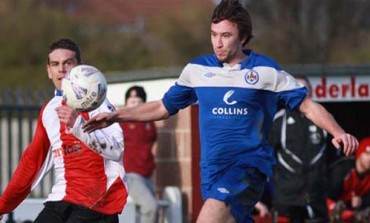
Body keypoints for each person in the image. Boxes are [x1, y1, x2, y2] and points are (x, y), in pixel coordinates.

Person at [82, 1, 358, 222]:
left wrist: (338, 132)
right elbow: (162, 107)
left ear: (244, 38)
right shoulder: (197, 70)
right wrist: (116, 114)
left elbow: (308, 105)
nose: (218, 43)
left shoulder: (266, 71)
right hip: (212, 171)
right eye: (214, 35)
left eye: (226, 36)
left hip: (246, 169)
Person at [0, 38, 127, 223]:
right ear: (49, 71)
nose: (61, 69)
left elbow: (117, 150)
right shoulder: (48, 111)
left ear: (79, 67)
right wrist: (4, 205)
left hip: (98, 203)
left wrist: (77, 124)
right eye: (55, 64)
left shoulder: (97, 102)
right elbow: (31, 164)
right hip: (61, 199)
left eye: (68, 63)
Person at [268, 76, 329, 222]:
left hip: (315, 197)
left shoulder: (323, 119)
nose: (302, 94)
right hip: (287, 198)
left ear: (311, 93)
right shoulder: (279, 120)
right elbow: (266, 156)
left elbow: (334, 158)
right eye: (297, 89)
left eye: (305, 90)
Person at [120, 86, 158, 223]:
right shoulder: (121, 123)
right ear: (126, 104)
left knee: (146, 211)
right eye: (132, 102)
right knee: (150, 207)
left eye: (138, 102)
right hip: (130, 174)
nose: (135, 106)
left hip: (147, 174)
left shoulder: (149, 122)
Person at [327, 137, 370, 222]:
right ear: (360, 153)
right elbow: (327, 193)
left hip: (352, 212)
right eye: (367, 153)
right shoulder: (344, 167)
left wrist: (361, 202)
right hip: (331, 208)